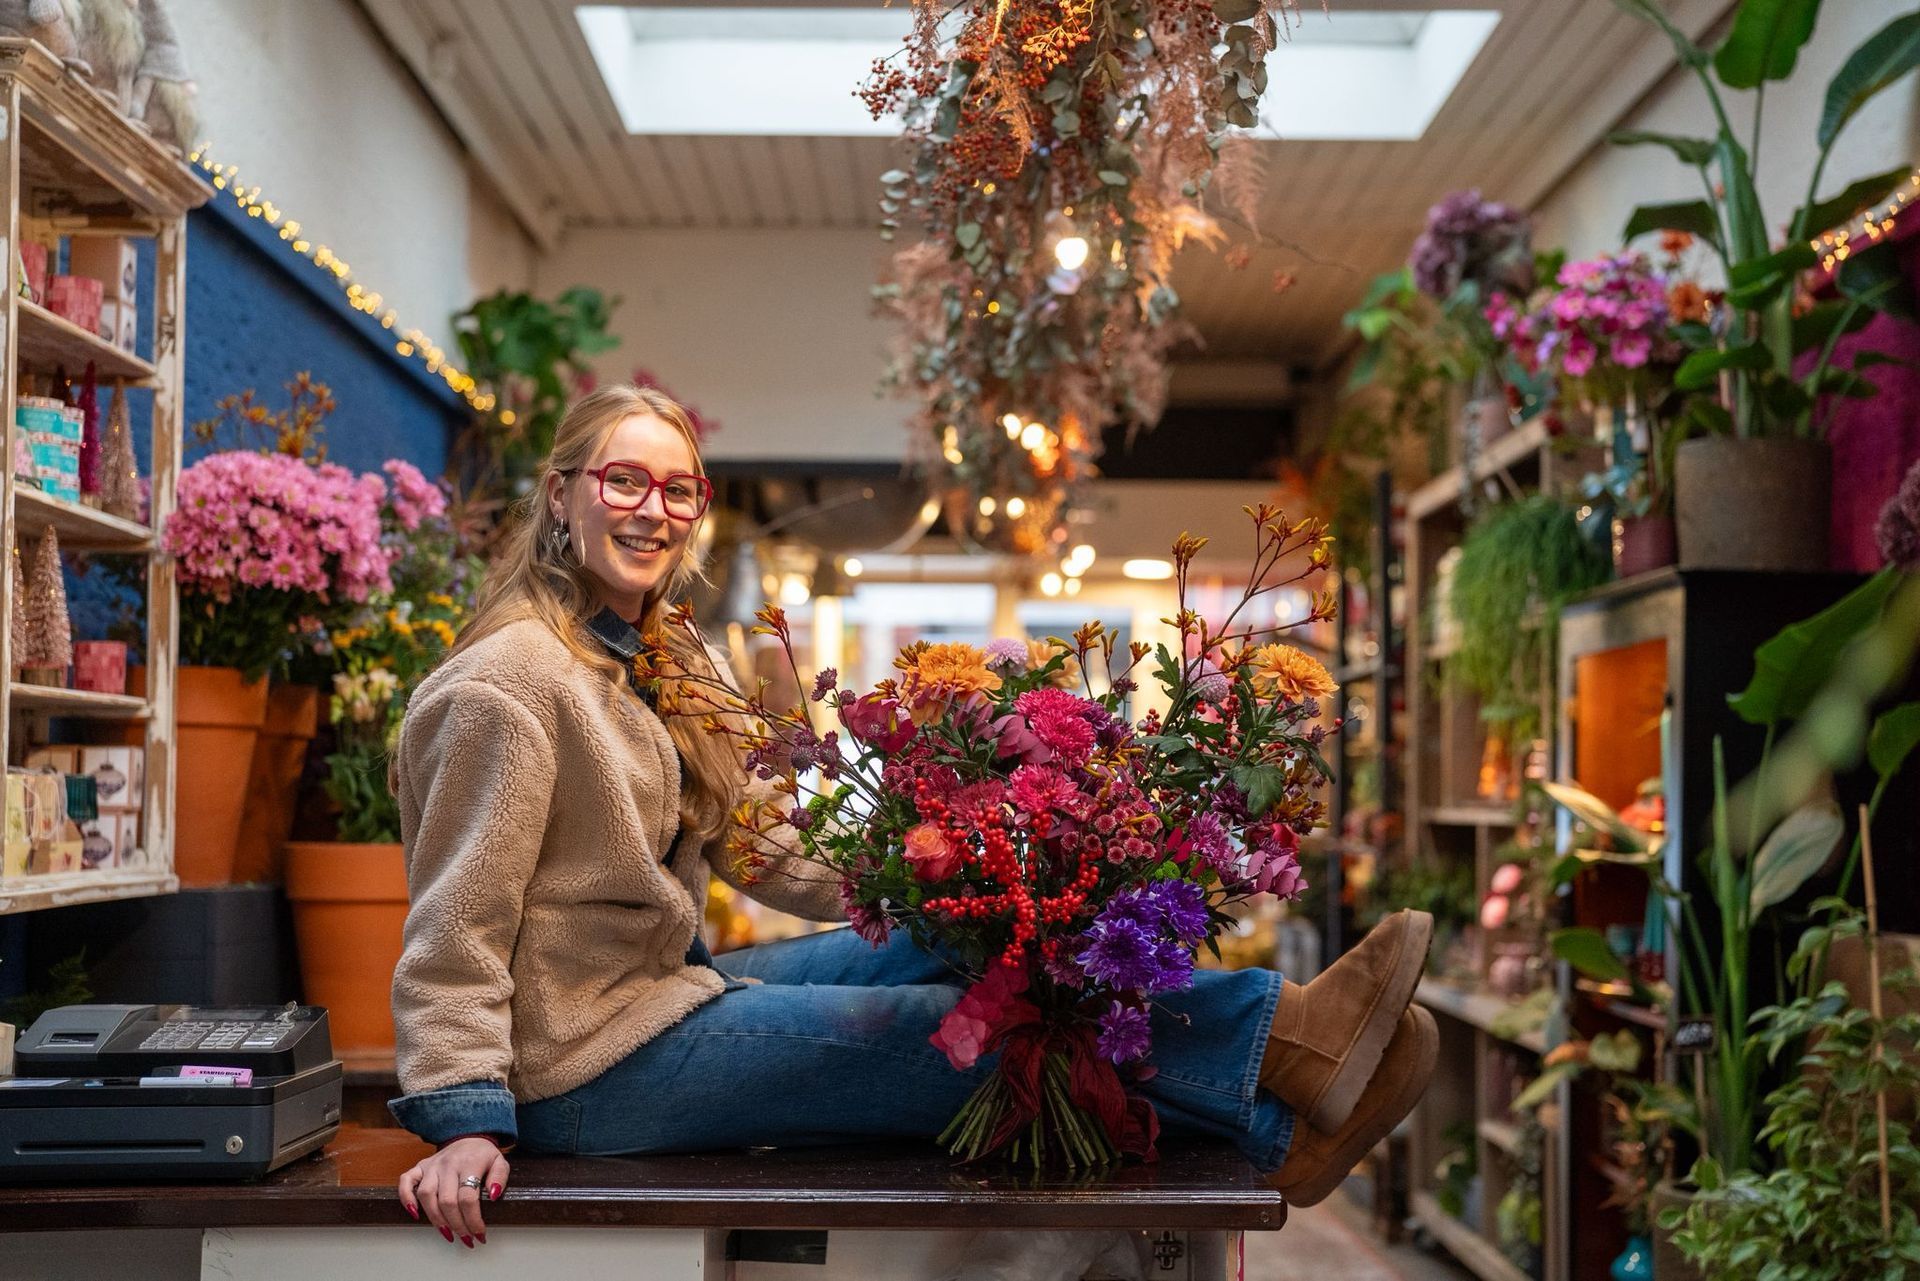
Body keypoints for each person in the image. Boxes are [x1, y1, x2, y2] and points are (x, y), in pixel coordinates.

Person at [386, 383, 1438, 1249]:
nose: (654, 510)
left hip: (660, 995)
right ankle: (1280, 1055)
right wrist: (468, 1118)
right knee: (946, 1034)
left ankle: (1277, 1092)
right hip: (578, 1071)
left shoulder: (665, 657)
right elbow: (455, 925)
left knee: (978, 956)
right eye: (624, 480)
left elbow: (762, 835)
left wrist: (945, 879)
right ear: (563, 494)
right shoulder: (506, 688)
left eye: (678, 488)